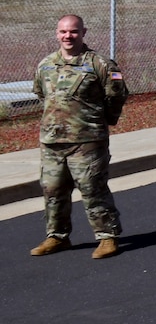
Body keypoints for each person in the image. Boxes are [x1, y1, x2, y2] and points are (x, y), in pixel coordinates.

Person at [28, 15, 126, 258]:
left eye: (73, 31)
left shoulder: (100, 64)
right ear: (56, 34)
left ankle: (107, 237)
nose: (67, 36)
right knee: (52, 189)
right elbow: (42, 94)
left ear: (83, 32)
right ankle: (57, 236)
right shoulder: (46, 64)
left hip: (87, 141)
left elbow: (117, 95)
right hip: (52, 141)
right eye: (63, 32)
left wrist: (103, 121)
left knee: (92, 188)